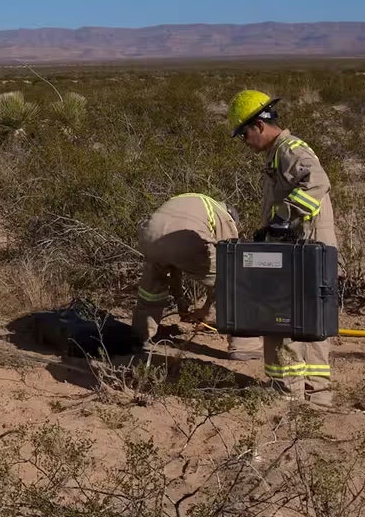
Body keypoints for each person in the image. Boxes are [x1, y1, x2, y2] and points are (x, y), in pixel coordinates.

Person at [227, 89, 336, 406]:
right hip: (309, 251)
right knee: (310, 323)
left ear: (259, 125)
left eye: (244, 133)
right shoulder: (283, 152)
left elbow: (317, 181)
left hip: (299, 251)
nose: (244, 141)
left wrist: (284, 220)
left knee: (280, 321)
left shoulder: (288, 150)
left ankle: (286, 393)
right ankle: (317, 395)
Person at [134, 192, 263, 360]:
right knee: (235, 282)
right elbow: (228, 260)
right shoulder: (223, 215)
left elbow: (173, 264)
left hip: (149, 237)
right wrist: (208, 311)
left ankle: (140, 336)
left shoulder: (187, 201)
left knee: (151, 289)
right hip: (186, 241)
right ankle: (246, 346)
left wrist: (181, 300)